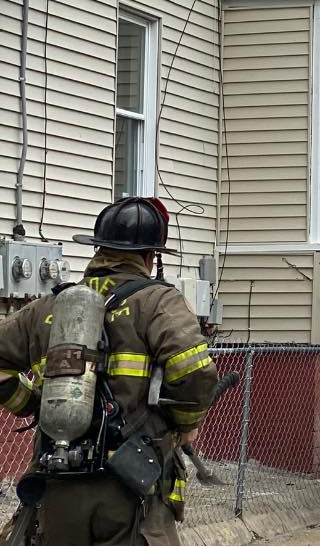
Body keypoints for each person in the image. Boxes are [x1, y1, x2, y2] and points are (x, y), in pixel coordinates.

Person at [0, 197, 218, 545]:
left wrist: (31, 403)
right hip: (131, 490)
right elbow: (193, 373)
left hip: (56, 485)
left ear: (98, 249)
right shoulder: (158, 302)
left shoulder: (50, 305)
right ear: (150, 257)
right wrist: (186, 424)